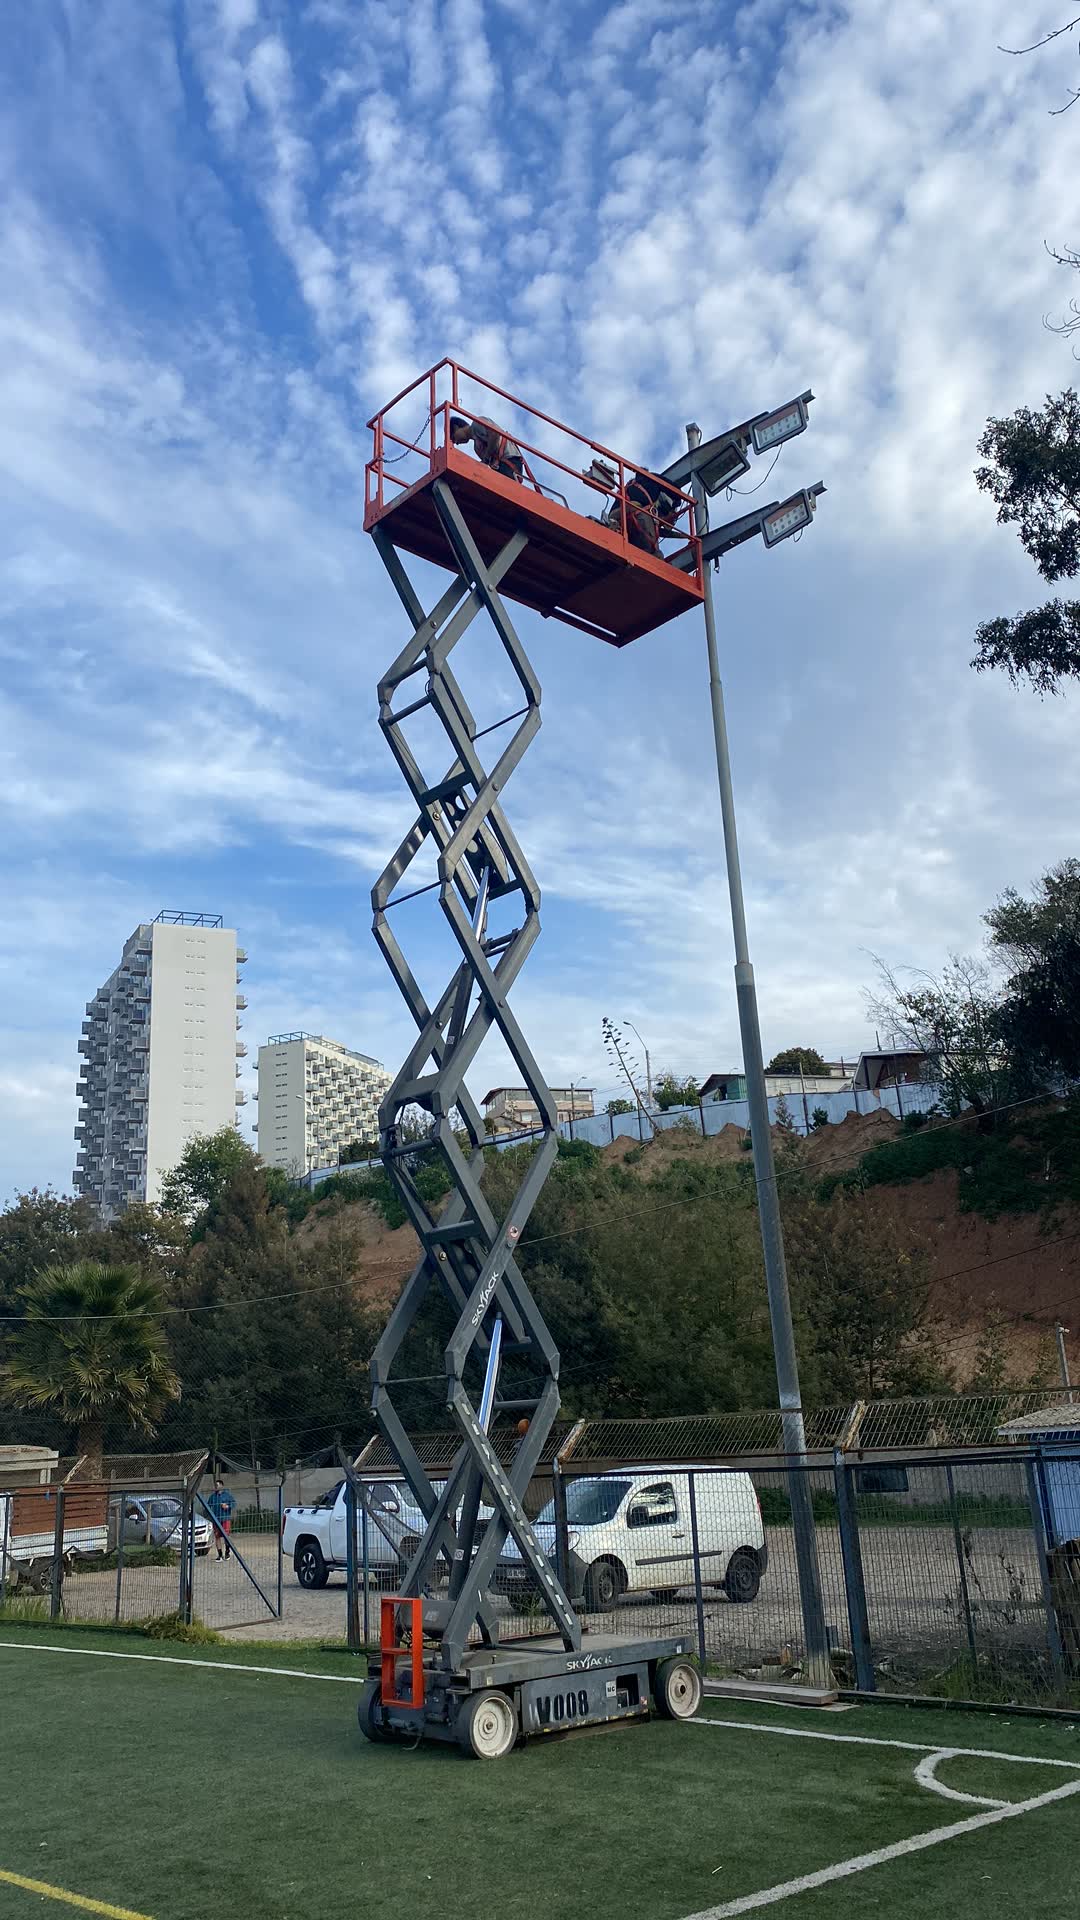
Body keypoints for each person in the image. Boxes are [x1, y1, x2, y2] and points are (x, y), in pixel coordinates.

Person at [449, 413, 525, 483]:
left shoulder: (477, 424)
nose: (457, 443)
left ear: (456, 427)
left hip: (510, 462)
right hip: (501, 468)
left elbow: (494, 434)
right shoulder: (477, 448)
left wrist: (486, 456)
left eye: (454, 438)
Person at [206, 1478, 236, 1560]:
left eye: (218, 1485)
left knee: (226, 1536)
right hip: (216, 1519)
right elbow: (207, 1506)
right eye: (215, 1485)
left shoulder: (227, 1495)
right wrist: (210, 1515)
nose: (216, 1487)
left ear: (222, 1486)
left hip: (225, 1518)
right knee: (217, 1537)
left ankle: (227, 1552)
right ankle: (220, 1554)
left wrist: (227, 1506)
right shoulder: (212, 1497)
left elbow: (233, 1503)